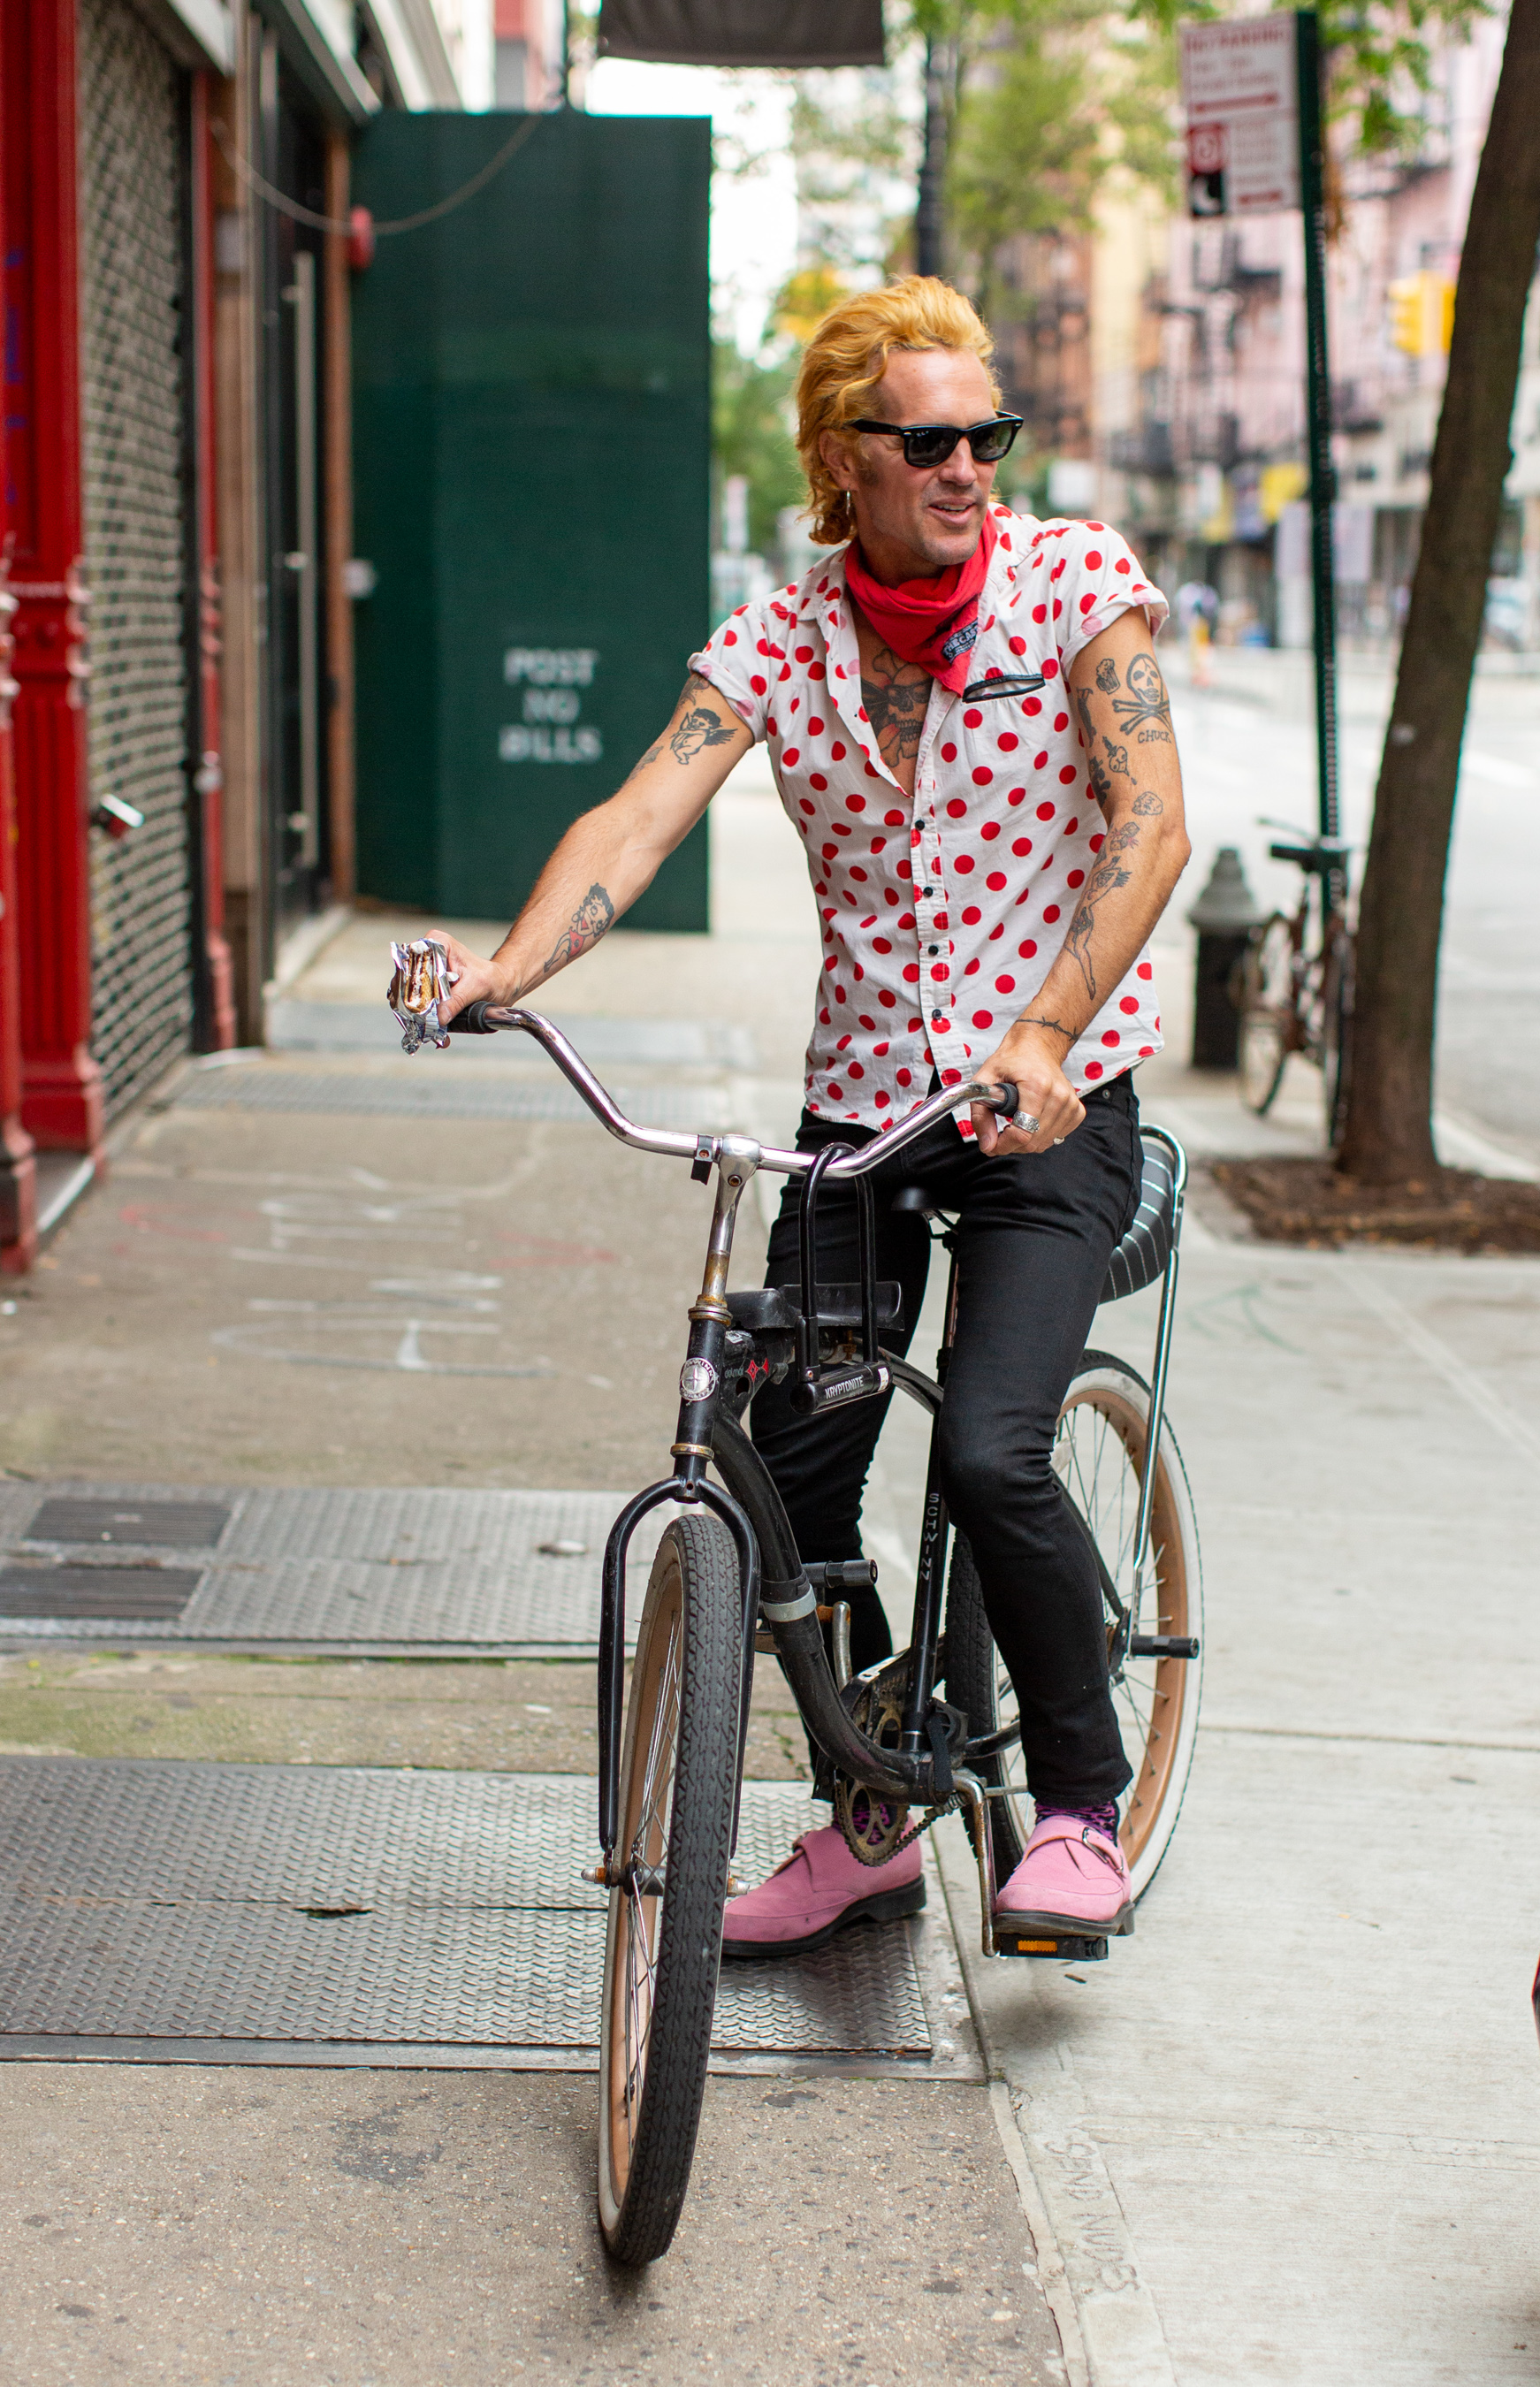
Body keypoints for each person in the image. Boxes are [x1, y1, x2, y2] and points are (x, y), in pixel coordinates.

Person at [431, 277, 1190, 1957]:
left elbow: (1151, 831)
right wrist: (510, 972)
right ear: (842, 457)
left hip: (1045, 1109)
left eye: (986, 434)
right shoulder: (777, 642)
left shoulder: (1074, 590)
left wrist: (1050, 1032)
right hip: (865, 1117)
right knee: (798, 1474)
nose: (970, 467)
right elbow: (637, 817)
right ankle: (870, 1816)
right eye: (928, 441)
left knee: (992, 1449)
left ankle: (1074, 1805)